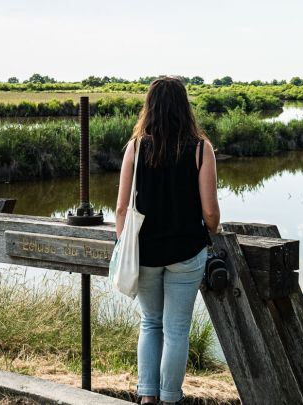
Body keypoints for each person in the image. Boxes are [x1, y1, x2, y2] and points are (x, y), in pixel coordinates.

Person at [115, 76, 221, 405]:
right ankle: (171, 399)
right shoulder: (201, 149)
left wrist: (125, 246)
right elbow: (211, 214)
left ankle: (147, 397)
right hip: (186, 252)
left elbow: (120, 209)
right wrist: (212, 234)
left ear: (150, 108)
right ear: (184, 107)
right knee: (176, 330)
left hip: (145, 252)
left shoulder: (135, 146)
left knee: (150, 323)